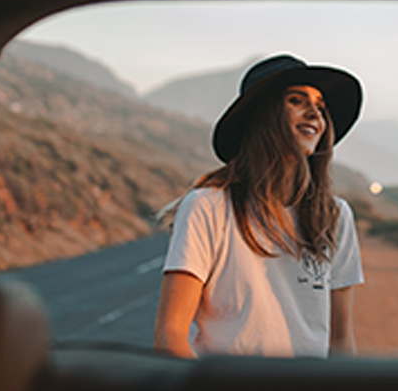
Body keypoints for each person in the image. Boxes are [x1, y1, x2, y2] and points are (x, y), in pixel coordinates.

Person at [154, 54, 364, 359]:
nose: (314, 114)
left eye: (320, 106)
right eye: (296, 100)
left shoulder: (334, 216)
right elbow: (170, 334)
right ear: (262, 116)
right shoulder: (208, 206)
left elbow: (341, 341)